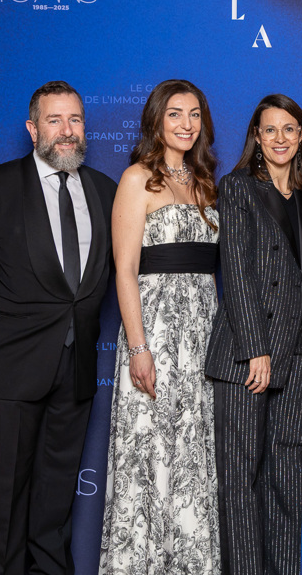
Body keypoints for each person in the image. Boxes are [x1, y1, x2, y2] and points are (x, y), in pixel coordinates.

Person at [0, 81, 117, 575]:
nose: (67, 131)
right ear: (32, 128)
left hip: (76, 367)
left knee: (56, 499)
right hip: (10, 365)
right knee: (4, 497)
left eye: (75, 120)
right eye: (54, 120)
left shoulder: (104, 191)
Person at [98, 79, 221, 574]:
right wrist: (138, 347)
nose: (186, 124)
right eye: (175, 114)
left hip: (202, 335)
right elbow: (125, 270)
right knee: (148, 453)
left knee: (192, 454)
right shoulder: (137, 179)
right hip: (155, 334)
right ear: (156, 120)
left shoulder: (206, 182)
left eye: (194, 115)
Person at [205, 94, 302, 575]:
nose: (280, 138)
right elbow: (235, 271)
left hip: (297, 354)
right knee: (241, 482)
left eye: (289, 129)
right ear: (257, 137)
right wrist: (256, 349)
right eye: (270, 129)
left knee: (287, 477)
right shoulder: (237, 187)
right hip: (247, 358)